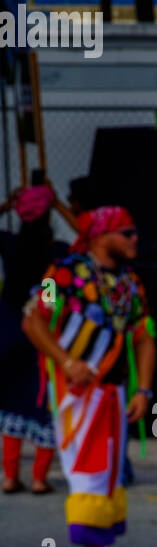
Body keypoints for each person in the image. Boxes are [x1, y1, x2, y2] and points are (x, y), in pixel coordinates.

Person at [21, 206, 155, 547]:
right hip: (76, 392)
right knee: (89, 470)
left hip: (112, 392)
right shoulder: (62, 273)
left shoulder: (130, 281)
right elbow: (33, 319)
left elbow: (144, 334)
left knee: (109, 472)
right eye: (127, 233)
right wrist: (65, 361)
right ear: (102, 235)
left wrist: (143, 389)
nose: (135, 239)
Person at [1, 183, 58, 494]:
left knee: (12, 405)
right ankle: (39, 478)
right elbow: (48, 299)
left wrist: (6, 206)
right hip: (41, 335)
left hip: (9, 332)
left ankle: (10, 476)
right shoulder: (55, 252)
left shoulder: (9, 245)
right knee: (41, 406)